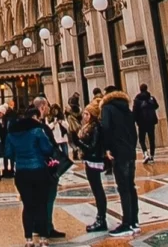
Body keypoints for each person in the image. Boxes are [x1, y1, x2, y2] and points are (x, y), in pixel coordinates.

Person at [5, 107, 54, 247]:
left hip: (21, 172)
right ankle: (43, 238)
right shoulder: (37, 131)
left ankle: (28, 239)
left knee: (28, 205)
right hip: (38, 170)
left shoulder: (11, 134)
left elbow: (8, 153)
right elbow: (47, 149)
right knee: (41, 204)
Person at [100, 86, 139, 237]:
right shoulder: (127, 109)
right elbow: (134, 131)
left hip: (118, 152)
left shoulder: (107, 109)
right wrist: (132, 147)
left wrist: (108, 148)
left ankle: (126, 223)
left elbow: (106, 128)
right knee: (131, 186)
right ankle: (134, 221)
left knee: (123, 187)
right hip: (130, 152)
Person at [33, 97, 66, 239]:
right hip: (46, 168)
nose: (48, 108)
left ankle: (38, 225)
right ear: (41, 107)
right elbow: (48, 147)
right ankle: (46, 227)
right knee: (48, 198)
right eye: (46, 105)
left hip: (33, 168)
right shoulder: (41, 128)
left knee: (38, 198)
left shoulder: (29, 126)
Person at [76, 101, 108, 233]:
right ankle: (100, 218)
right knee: (96, 189)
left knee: (97, 189)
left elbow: (92, 147)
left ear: (92, 115)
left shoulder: (95, 127)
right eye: (84, 113)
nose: (84, 116)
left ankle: (101, 219)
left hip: (94, 160)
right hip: (90, 160)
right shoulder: (90, 126)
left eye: (86, 113)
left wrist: (79, 143)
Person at [132, 83, 160, 163]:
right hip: (151, 122)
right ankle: (152, 155)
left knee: (141, 139)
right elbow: (156, 106)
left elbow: (134, 112)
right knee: (152, 139)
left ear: (140, 89)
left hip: (142, 123)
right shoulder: (151, 98)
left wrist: (134, 121)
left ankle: (145, 153)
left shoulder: (137, 100)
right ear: (146, 88)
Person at [65, 95, 84, 161]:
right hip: (78, 127)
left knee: (72, 141)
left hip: (70, 127)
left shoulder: (68, 109)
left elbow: (66, 116)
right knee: (79, 140)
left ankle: (75, 153)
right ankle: (80, 154)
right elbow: (81, 117)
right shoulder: (79, 109)